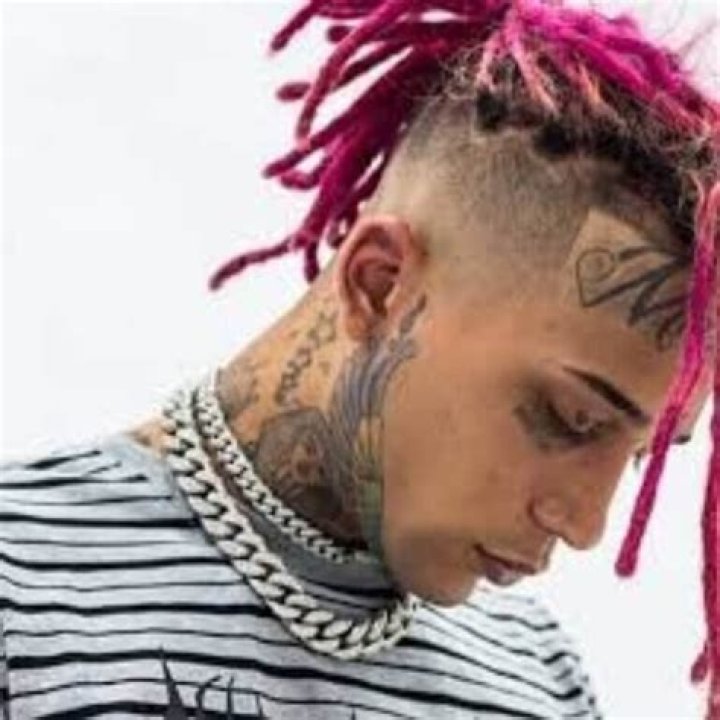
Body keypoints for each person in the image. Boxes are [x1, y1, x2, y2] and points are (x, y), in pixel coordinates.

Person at [1, 0, 718, 718]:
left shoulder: (541, 681)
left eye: (640, 457)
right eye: (572, 418)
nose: (586, 524)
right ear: (380, 284)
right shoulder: (21, 583)